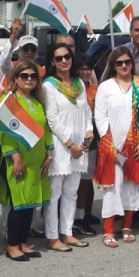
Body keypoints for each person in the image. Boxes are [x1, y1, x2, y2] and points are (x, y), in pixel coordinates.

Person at [93, 46, 139, 247]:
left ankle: (127, 226)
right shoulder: (105, 87)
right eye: (118, 63)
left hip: (138, 145)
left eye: (127, 62)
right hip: (112, 146)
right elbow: (100, 116)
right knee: (114, 187)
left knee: (133, 186)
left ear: (132, 64)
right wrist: (109, 144)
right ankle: (109, 230)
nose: (123, 66)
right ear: (113, 65)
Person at [0, 60, 54, 260]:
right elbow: (4, 134)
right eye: (24, 76)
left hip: (37, 159)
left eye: (33, 76)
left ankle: (22, 242)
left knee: (30, 203)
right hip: (19, 159)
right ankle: (12, 245)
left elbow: (45, 129)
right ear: (16, 78)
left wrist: (50, 152)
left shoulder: (37, 102)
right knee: (18, 204)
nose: (29, 79)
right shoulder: (8, 102)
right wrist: (16, 158)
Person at [42, 42, 92, 251]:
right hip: (62, 145)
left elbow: (87, 111)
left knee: (72, 191)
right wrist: (70, 145)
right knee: (55, 193)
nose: (64, 61)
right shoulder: (49, 86)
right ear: (53, 62)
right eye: (59, 58)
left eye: (67, 57)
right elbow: (52, 119)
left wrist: (89, 132)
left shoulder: (79, 83)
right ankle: (53, 236)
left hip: (80, 146)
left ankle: (68, 232)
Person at [74, 54, 100, 234]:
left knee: (87, 179)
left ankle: (86, 213)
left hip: (93, 139)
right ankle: (78, 218)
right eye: (81, 68)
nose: (84, 72)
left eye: (88, 69)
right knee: (78, 181)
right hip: (75, 140)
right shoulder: (72, 89)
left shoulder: (97, 89)